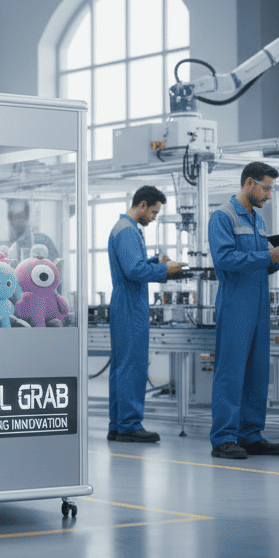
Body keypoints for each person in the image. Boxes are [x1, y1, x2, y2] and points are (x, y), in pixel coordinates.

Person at [209, 162, 279, 459]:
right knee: (231, 371)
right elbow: (225, 259)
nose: (269, 195)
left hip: (260, 302)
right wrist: (268, 256)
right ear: (249, 183)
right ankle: (224, 437)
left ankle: (250, 434)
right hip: (235, 302)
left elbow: (261, 262)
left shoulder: (258, 220)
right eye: (267, 188)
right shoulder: (222, 216)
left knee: (257, 371)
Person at [107, 186, 186, 443]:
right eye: (153, 212)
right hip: (130, 302)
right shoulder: (128, 231)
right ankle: (129, 425)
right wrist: (165, 270)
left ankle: (118, 424)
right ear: (142, 204)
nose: (153, 217)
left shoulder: (125, 228)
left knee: (122, 366)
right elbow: (133, 270)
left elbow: (135, 265)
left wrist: (157, 262)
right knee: (132, 365)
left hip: (127, 300)